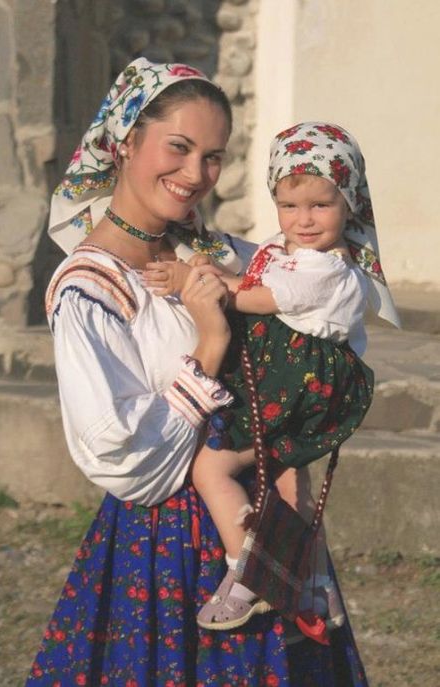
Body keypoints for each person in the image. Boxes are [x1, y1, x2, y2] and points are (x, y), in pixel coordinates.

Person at [25, 60, 386, 685]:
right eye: (179, 147)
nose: (195, 174)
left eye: (212, 156)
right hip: (164, 550)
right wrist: (213, 342)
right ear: (128, 140)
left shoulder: (223, 254)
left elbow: (326, 319)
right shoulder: (89, 290)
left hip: (268, 530)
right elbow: (122, 454)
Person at [144, 122, 398, 639]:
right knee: (289, 482)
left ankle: (249, 570)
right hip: (295, 384)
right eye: (289, 205)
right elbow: (252, 267)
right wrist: (204, 254)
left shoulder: (327, 266)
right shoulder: (289, 251)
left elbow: (257, 296)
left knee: (212, 467)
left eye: (320, 206)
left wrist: (194, 280)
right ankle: (315, 585)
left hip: (300, 385)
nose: (303, 221)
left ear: (348, 204)